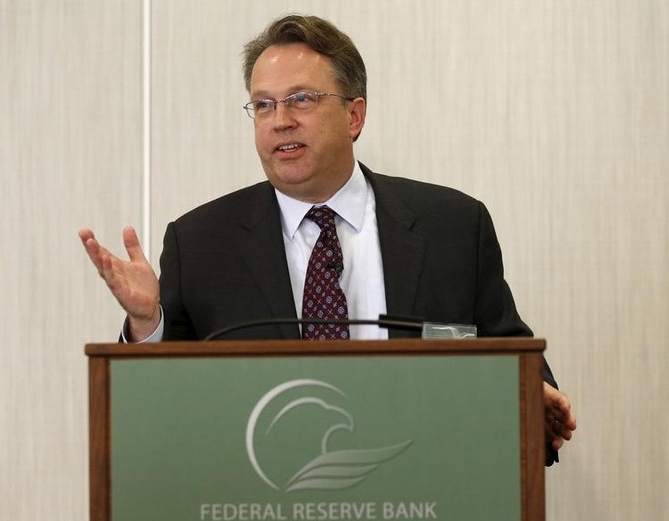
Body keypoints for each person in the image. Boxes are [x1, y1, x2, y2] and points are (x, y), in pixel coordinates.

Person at [79, 14, 575, 463]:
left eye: (302, 99)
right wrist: (148, 324)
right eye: (263, 105)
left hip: (424, 512)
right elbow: (165, 409)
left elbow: (507, 352)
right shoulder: (202, 243)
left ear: (354, 116)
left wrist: (536, 394)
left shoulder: (452, 226)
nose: (280, 120)